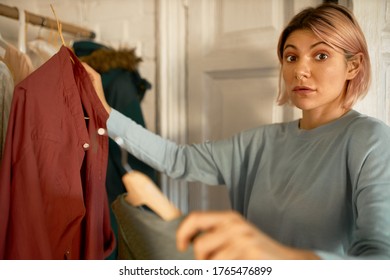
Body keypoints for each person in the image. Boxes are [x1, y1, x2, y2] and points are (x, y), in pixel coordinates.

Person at [82, 3, 390, 260]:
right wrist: (104, 113)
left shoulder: (370, 140)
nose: (300, 70)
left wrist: (275, 255)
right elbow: (177, 159)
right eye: (291, 57)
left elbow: (380, 260)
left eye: (321, 55)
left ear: (353, 66)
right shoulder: (259, 142)